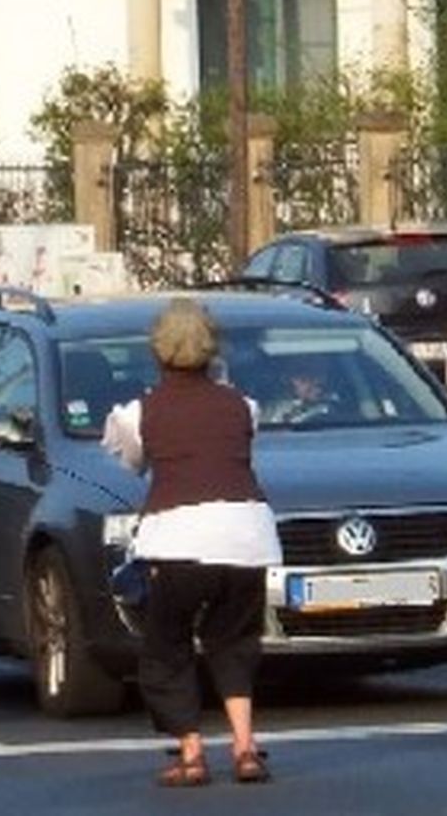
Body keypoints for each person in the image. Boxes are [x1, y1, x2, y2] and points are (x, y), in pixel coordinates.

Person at [103, 298, 283, 787]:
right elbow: (236, 448)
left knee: (167, 645)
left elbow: (132, 460)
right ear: (212, 350)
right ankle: (246, 749)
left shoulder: (139, 412)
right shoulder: (243, 406)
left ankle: (191, 753)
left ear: (157, 352)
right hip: (249, 534)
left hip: (179, 539)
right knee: (235, 640)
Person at [263, 355, 342, 425]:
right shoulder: (272, 409)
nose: (315, 381)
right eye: (303, 378)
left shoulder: (337, 411)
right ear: (287, 379)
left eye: (319, 373)